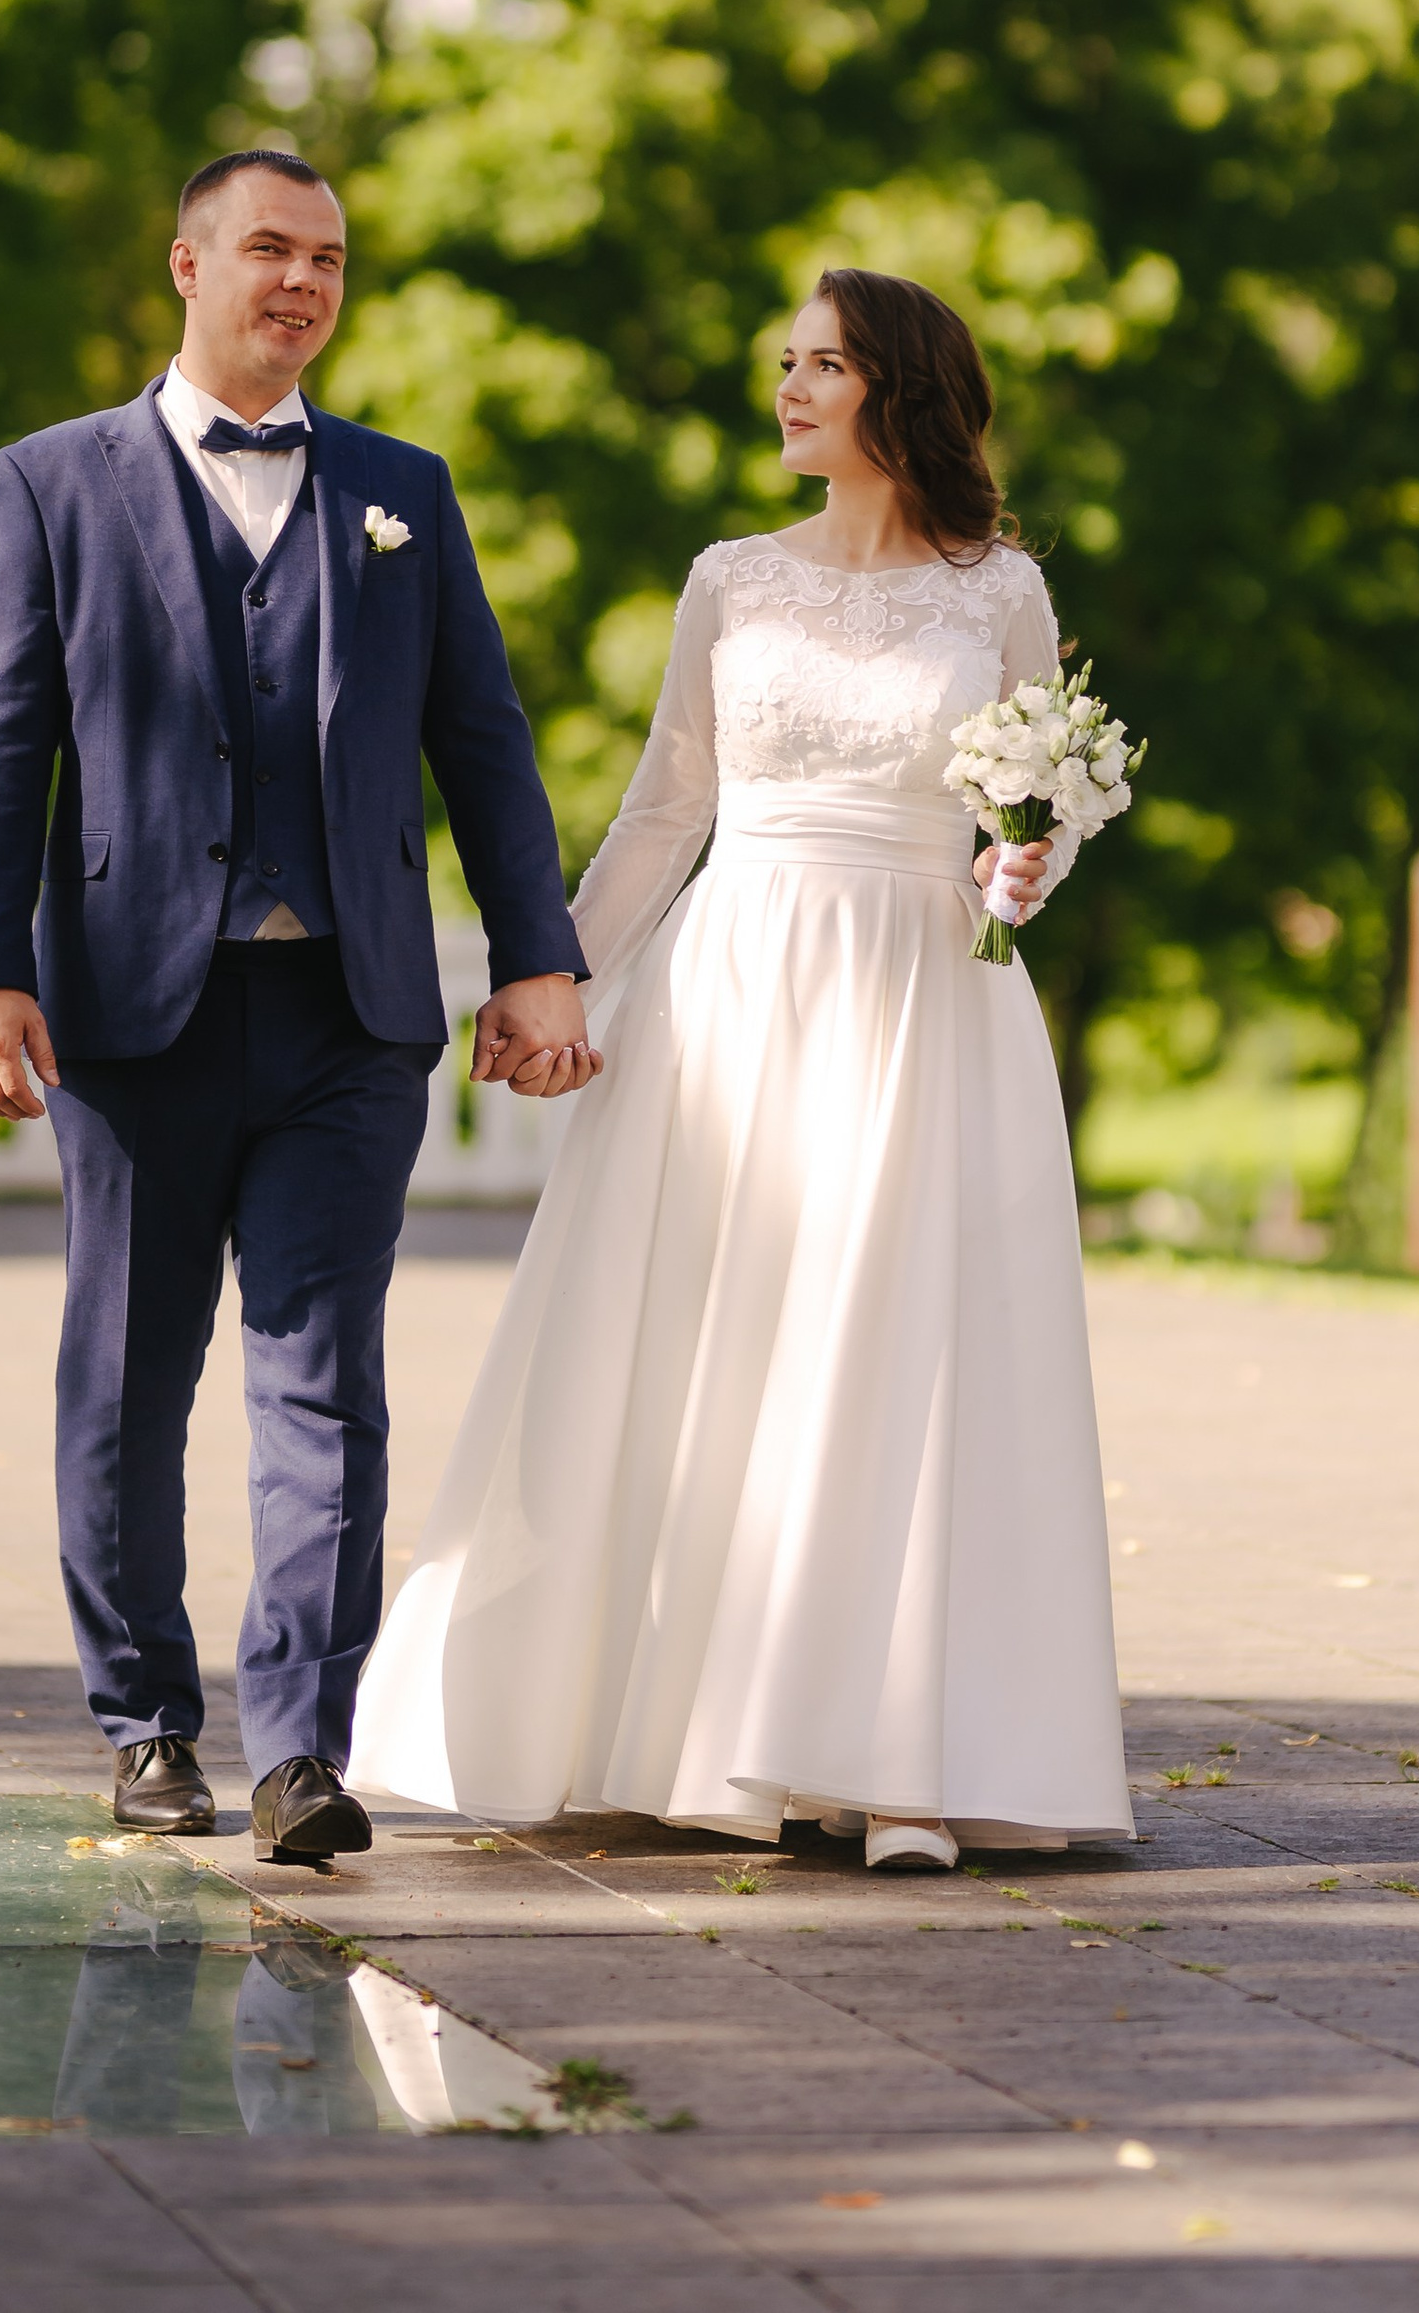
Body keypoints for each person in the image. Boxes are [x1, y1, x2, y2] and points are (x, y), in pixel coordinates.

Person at [349, 267, 1132, 1872]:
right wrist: (551, 975)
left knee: (899, 1348)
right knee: (726, 1346)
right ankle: (705, 1730)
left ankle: (902, 1763)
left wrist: (1024, 868)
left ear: (899, 390)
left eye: (825, 363)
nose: (790, 386)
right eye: (788, 359)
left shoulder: (998, 591)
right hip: (736, 990)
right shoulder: (730, 580)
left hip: (922, 995)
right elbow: (666, 810)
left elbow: (1025, 816)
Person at [0, 149, 593, 1865]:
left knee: (325, 1381)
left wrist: (535, 952)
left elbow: (484, 742)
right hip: (127, 1012)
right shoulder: (49, 483)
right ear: (187, 264)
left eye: (331, 260)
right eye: (271, 250)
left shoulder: (401, 490)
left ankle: (303, 1747)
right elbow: (0, 749)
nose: (304, 282)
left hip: (349, 1017)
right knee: (126, 1378)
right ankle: (148, 1722)